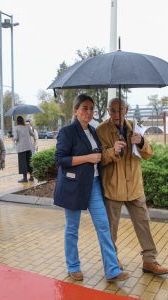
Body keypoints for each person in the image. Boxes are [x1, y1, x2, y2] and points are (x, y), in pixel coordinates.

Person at [54, 94, 129, 282]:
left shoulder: (93, 131)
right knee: (72, 228)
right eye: (84, 108)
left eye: (91, 109)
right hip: (74, 187)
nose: (88, 112)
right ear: (75, 110)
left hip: (94, 184)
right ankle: (73, 266)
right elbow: (60, 160)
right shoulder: (67, 131)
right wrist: (87, 158)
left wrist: (114, 150)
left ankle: (112, 270)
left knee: (103, 226)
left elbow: (100, 155)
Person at [96, 98, 168, 276]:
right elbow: (99, 158)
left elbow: (148, 153)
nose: (116, 114)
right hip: (113, 187)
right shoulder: (101, 131)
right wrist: (111, 151)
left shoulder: (135, 127)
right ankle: (112, 259)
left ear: (126, 109)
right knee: (111, 228)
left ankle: (149, 260)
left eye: (120, 110)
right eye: (112, 111)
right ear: (108, 111)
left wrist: (142, 142)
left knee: (143, 223)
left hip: (135, 187)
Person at [13, 116, 35, 182]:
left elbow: (16, 138)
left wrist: (12, 138)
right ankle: (31, 177)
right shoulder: (27, 126)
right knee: (29, 162)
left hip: (21, 148)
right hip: (28, 147)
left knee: (23, 163)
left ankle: (25, 178)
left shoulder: (16, 128)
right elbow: (32, 134)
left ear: (17, 121)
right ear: (23, 120)